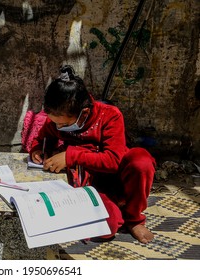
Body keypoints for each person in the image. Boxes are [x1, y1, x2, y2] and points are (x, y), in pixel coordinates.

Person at [30, 65, 156, 244]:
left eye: (64, 124)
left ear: (84, 113)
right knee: (106, 227)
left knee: (141, 161)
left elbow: (114, 160)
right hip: (90, 183)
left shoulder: (110, 115)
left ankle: (134, 218)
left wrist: (70, 156)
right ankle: (116, 208)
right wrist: (37, 150)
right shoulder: (58, 120)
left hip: (117, 176)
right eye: (54, 123)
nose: (59, 128)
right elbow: (43, 138)